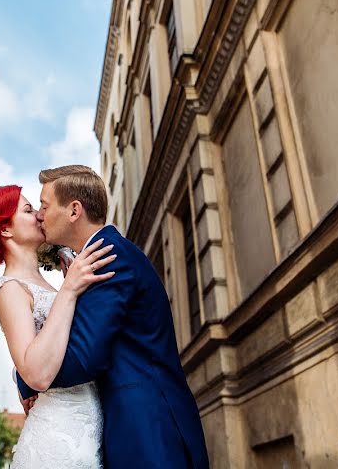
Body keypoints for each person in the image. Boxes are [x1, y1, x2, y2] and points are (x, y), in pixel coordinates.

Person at [18, 165, 210, 468]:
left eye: (44, 205)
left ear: (74, 210)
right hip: (139, 429)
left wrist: (27, 374)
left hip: (148, 433)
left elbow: (84, 358)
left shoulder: (109, 256)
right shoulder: (99, 255)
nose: (39, 215)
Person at [0, 184, 117, 468]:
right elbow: (35, 372)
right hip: (56, 443)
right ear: (6, 230)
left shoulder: (54, 282)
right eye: (28, 209)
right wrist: (70, 290)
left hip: (87, 430)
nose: (38, 215)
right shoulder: (9, 289)